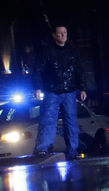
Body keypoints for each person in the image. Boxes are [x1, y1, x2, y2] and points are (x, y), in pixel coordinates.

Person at [32, 25, 88, 159]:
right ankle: (42, 148)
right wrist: (37, 87)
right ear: (54, 35)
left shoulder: (72, 52)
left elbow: (79, 70)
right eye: (60, 33)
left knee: (71, 121)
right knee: (48, 119)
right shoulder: (47, 51)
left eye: (64, 33)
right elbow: (38, 69)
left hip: (68, 91)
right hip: (52, 90)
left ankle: (72, 150)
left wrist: (83, 87)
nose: (63, 35)